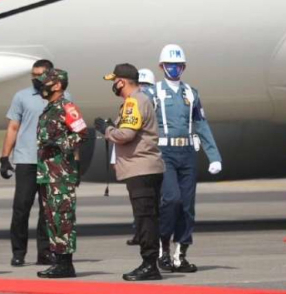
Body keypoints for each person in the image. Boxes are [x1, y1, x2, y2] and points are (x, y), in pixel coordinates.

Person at [153, 44, 222, 273]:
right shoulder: (154, 93)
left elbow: (201, 124)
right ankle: (163, 247)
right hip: (165, 154)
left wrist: (213, 155)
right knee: (171, 200)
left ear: (184, 67)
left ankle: (180, 254)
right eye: (170, 65)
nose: (174, 69)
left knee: (187, 206)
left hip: (187, 154)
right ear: (162, 66)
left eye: (178, 65)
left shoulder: (191, 93)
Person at [95, 63, 165, 281]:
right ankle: (150, 262)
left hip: (140, 168)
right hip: (146, 167)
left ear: (122, 82)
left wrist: (106, 129)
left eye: (115, 81)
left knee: (145, 218)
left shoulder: (133, 102)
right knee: (148, 216)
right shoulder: (139, 100)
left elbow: (126, 134)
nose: (114, 85)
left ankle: (149, 264)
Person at [0, 59, 58, 267]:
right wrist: (5, 157)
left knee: (47, 210)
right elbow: (13, 127)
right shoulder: (22, 97)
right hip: (26, 160)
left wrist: (75, 163)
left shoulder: (63, 98)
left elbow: (71, 131)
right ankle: (18, 252)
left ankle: (45, 252)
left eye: (39, 74)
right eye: (33, 75)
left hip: (52, 161)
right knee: (21, 208)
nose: (35, 79)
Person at [35, 69, 87, 279]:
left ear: (57, 85)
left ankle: (66, 263)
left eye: (44, 83)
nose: (41, 87)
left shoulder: (67, 107)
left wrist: (60, 143)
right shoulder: (49, 109)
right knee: (51, 219)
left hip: (61, 175)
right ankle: (58, 261)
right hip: (48, 174)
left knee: (63, 218)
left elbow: (82, 133)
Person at [125, 67, 159, 246]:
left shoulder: (151, 104)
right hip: (136, 162)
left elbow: (126, 134)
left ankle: (151, 241)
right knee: (139, 202)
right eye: (142, 85)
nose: (144, 89)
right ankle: (140, 231)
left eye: (148, 85)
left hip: (148, 160)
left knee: (149, 204)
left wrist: (108, 130)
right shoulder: (131, 103)